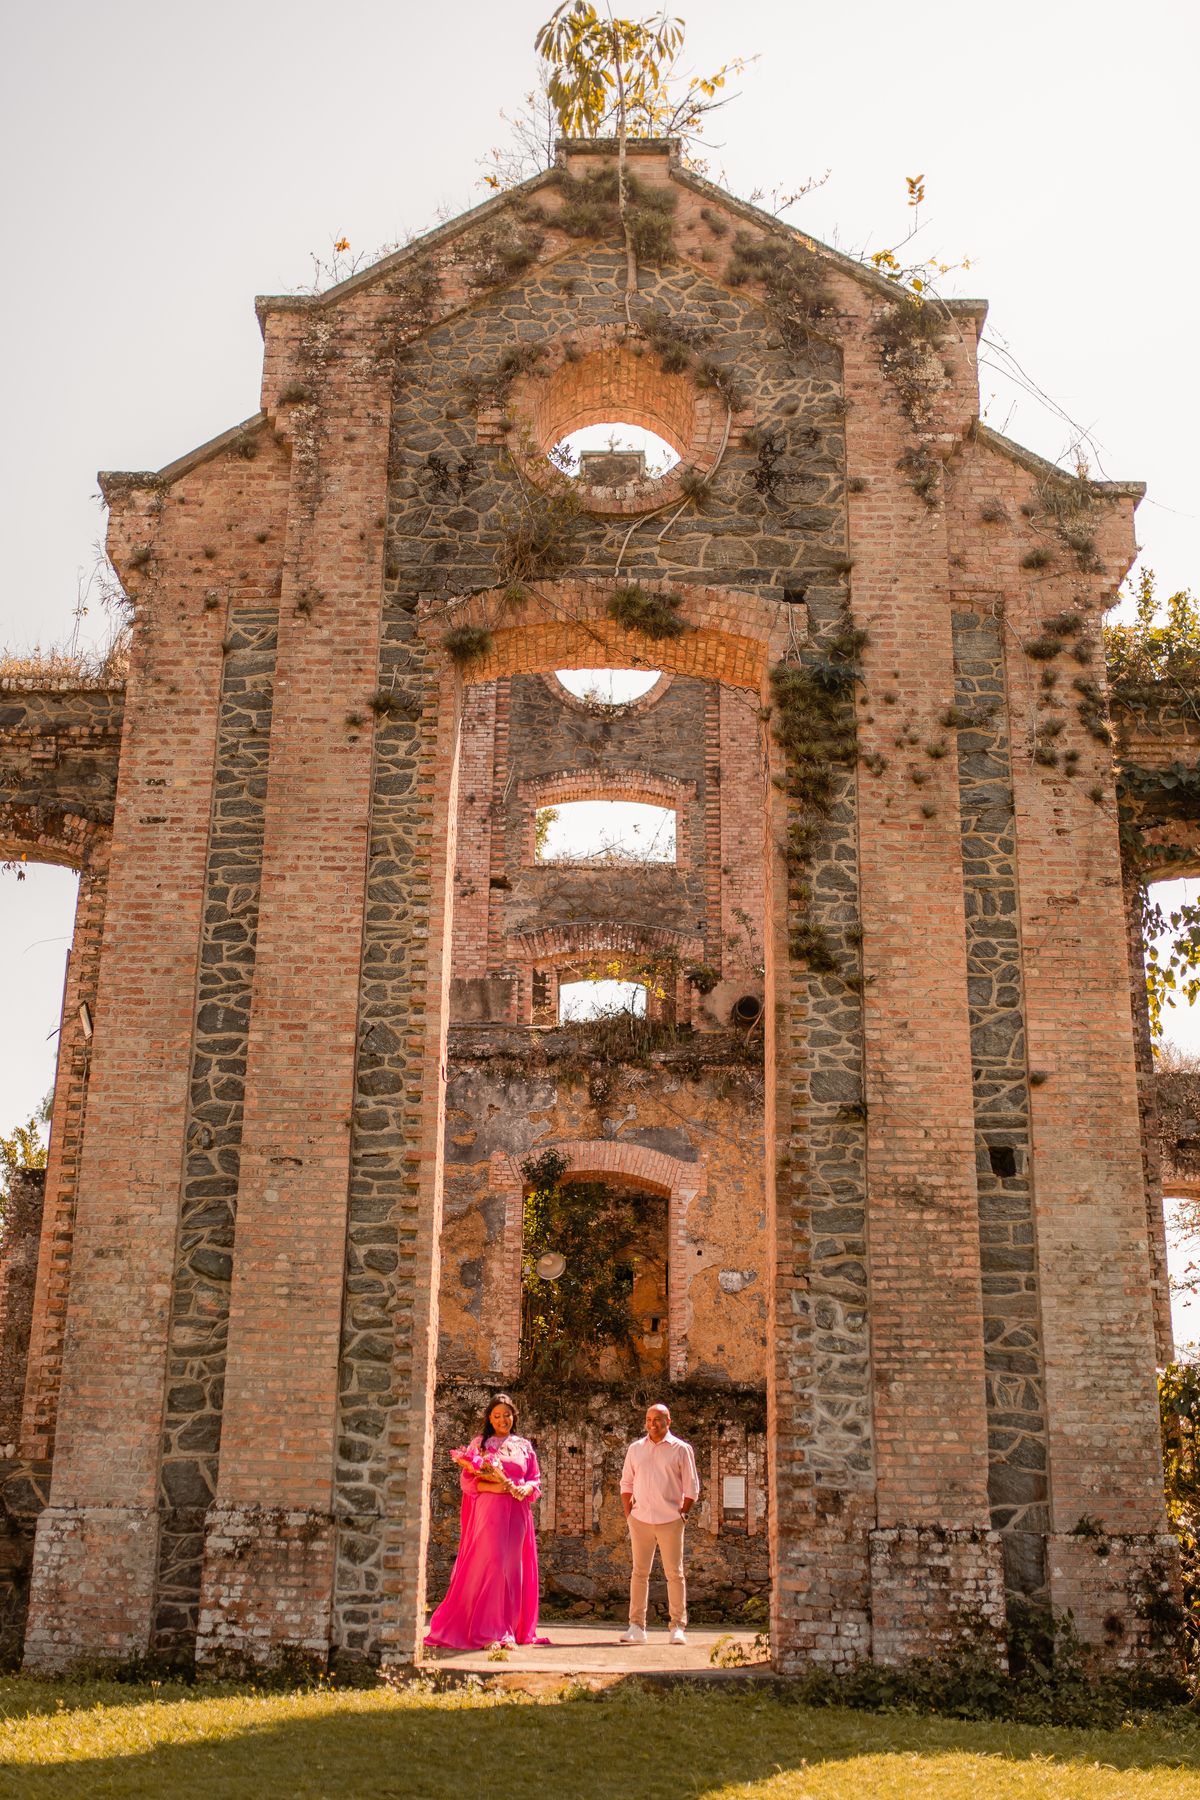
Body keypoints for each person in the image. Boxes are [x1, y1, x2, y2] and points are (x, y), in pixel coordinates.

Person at [425, 1394, 549, 1651]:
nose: (503, 1419)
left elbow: (534, 1479)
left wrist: (525, 1489)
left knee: (512, 1568)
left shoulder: (524, 1446)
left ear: (513, 1416)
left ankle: (510, 1629)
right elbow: (467, 1482)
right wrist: (498, 1489)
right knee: (492, 1564)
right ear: (490, 1419)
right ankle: (491, 1631)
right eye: (497, 1416)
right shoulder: (480, 1445)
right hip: (489, 1513)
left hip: (518, 1514)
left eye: (507, 1414)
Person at [618, 1402, 700, 1645]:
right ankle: (636, 1627)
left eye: (658, 1419)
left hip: (670, 1519)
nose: (652, 1423)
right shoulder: (635, 1449)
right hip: (640, 1519)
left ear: (668, 1422)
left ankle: (677, 1627)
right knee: (639, 1573)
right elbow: (626, 1483)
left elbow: (692, 1488)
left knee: (674, 1573)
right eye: (649, 1419)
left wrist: (682, 1516)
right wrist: (629, 1515)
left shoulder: (681, 1449)